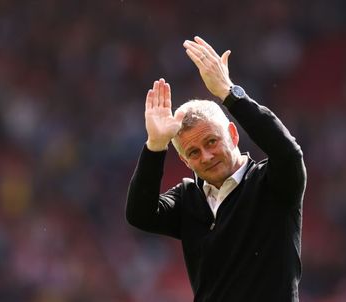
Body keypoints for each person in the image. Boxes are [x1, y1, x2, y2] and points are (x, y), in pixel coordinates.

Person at [126, 36, 307, 302]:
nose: (207, 156)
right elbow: (139, 214)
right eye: (194, 153)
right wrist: (155, 145)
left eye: (212, 141)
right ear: (186, 162)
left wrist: (229, 93)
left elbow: (288, 153)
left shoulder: (272, 185)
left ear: (233, 135)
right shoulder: (188, 199)